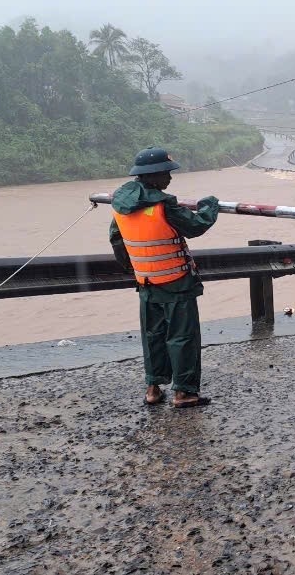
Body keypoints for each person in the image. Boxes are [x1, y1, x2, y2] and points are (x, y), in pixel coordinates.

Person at [108, 147, 220, 408]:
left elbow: (117, 240)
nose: (170, 178)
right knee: (182, 337)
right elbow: (196, 225)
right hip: (176, 282)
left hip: (146, 282)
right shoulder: (163, 205)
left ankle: (153, 389)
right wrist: (210, 206)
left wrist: (135, 268)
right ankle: (184, 393)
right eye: (167, 173)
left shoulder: (121, 205)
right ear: (154, 175)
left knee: (153, 335)